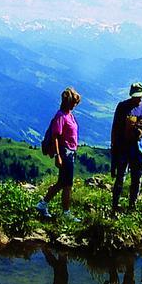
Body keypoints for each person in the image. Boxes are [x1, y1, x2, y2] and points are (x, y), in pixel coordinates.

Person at [111, 81, 142, 214]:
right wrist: (113, 145)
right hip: (122, 146)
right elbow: (115, 127)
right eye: (135, 96)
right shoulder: (122, 107)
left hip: (138, 147)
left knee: (137, 176)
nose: (137, 98)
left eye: (139, 96)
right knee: (121, 176)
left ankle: (132, 205)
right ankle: (115, 205)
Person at [36, 86, 81, 220]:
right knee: (68, 184)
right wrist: (58, 156)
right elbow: (55, 136)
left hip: (70, 151)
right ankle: (66, 213)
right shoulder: (61, 116)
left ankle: (42, 204)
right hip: (65, 152)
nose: (75, 105)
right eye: (74, 102)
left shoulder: (69, 114)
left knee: (61, 182)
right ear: (68, 102)